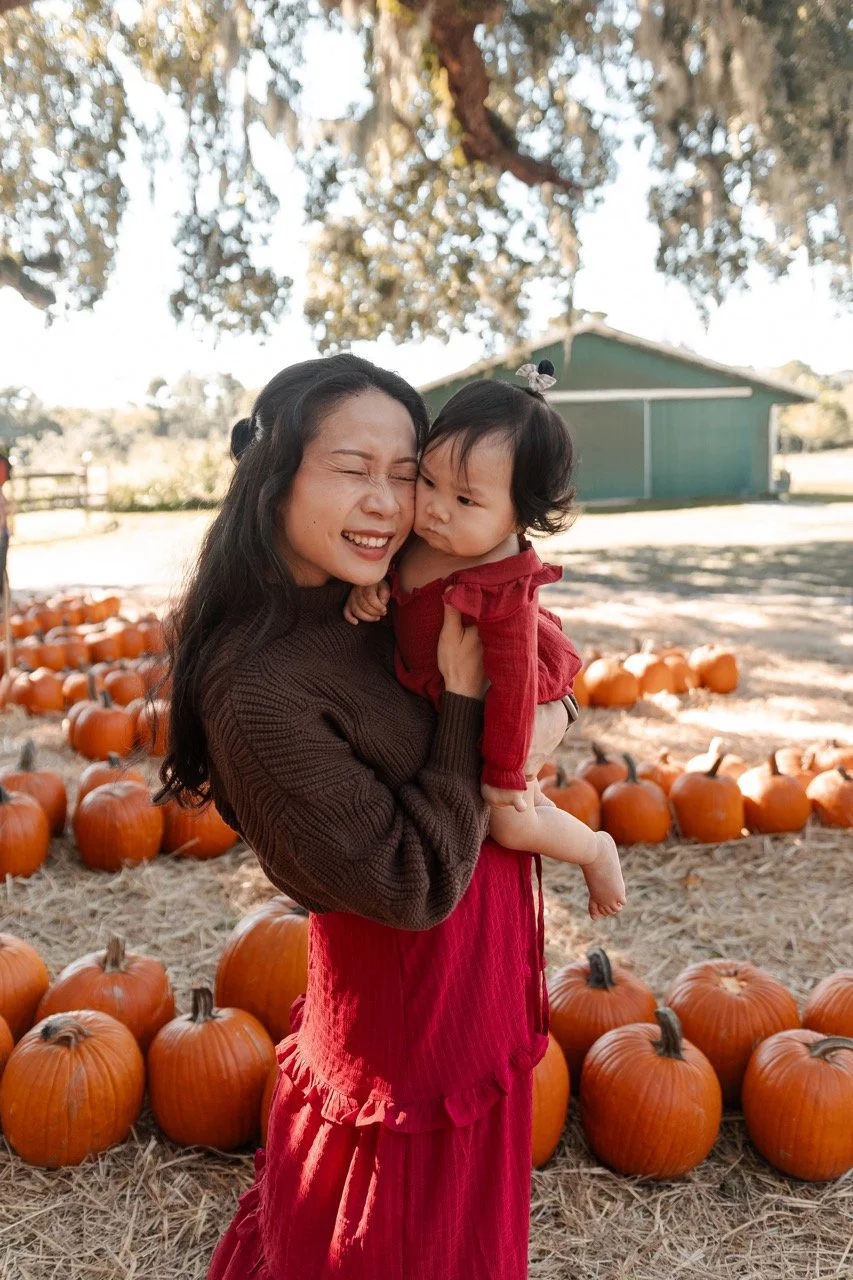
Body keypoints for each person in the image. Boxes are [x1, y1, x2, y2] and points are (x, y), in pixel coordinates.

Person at [157, 354, 574, 1280]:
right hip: (409, 1037)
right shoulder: (259, 689)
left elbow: (535, 650)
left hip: (473, 983)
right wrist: (465, 707)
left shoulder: (382, 591)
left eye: (407, 472)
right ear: (274, 476)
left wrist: (548, 715)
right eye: (353, 469)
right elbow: (410, 885)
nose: (389, 503)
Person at [345, 362, 625, 920]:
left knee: (512, 820)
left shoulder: (502, 584)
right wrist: (374, 589)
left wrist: (503, 773)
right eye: (428, 481)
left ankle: (595, 849)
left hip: (508, 704)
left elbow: (516, 687)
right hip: (448, 689)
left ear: (520, 515)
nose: (437, 507)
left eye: (466, 500)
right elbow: (392, 574)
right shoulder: (424, 534)